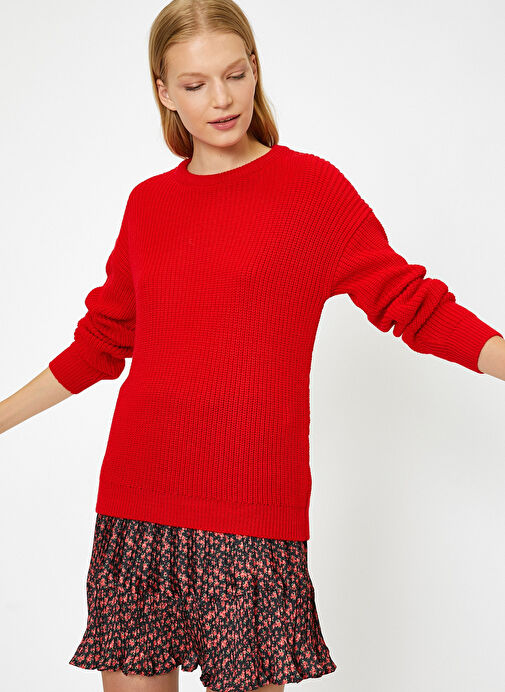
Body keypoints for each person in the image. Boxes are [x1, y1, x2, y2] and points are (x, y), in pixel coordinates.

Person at [2, 1, 504, 691]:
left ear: (255, 69)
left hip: (251, 514)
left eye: (234, 75)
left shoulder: (311, 191)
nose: (221, 99)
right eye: (195, 83)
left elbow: (412, 305)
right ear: (163, 92)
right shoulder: (148, 205)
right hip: (138, 499)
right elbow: (101, 342)